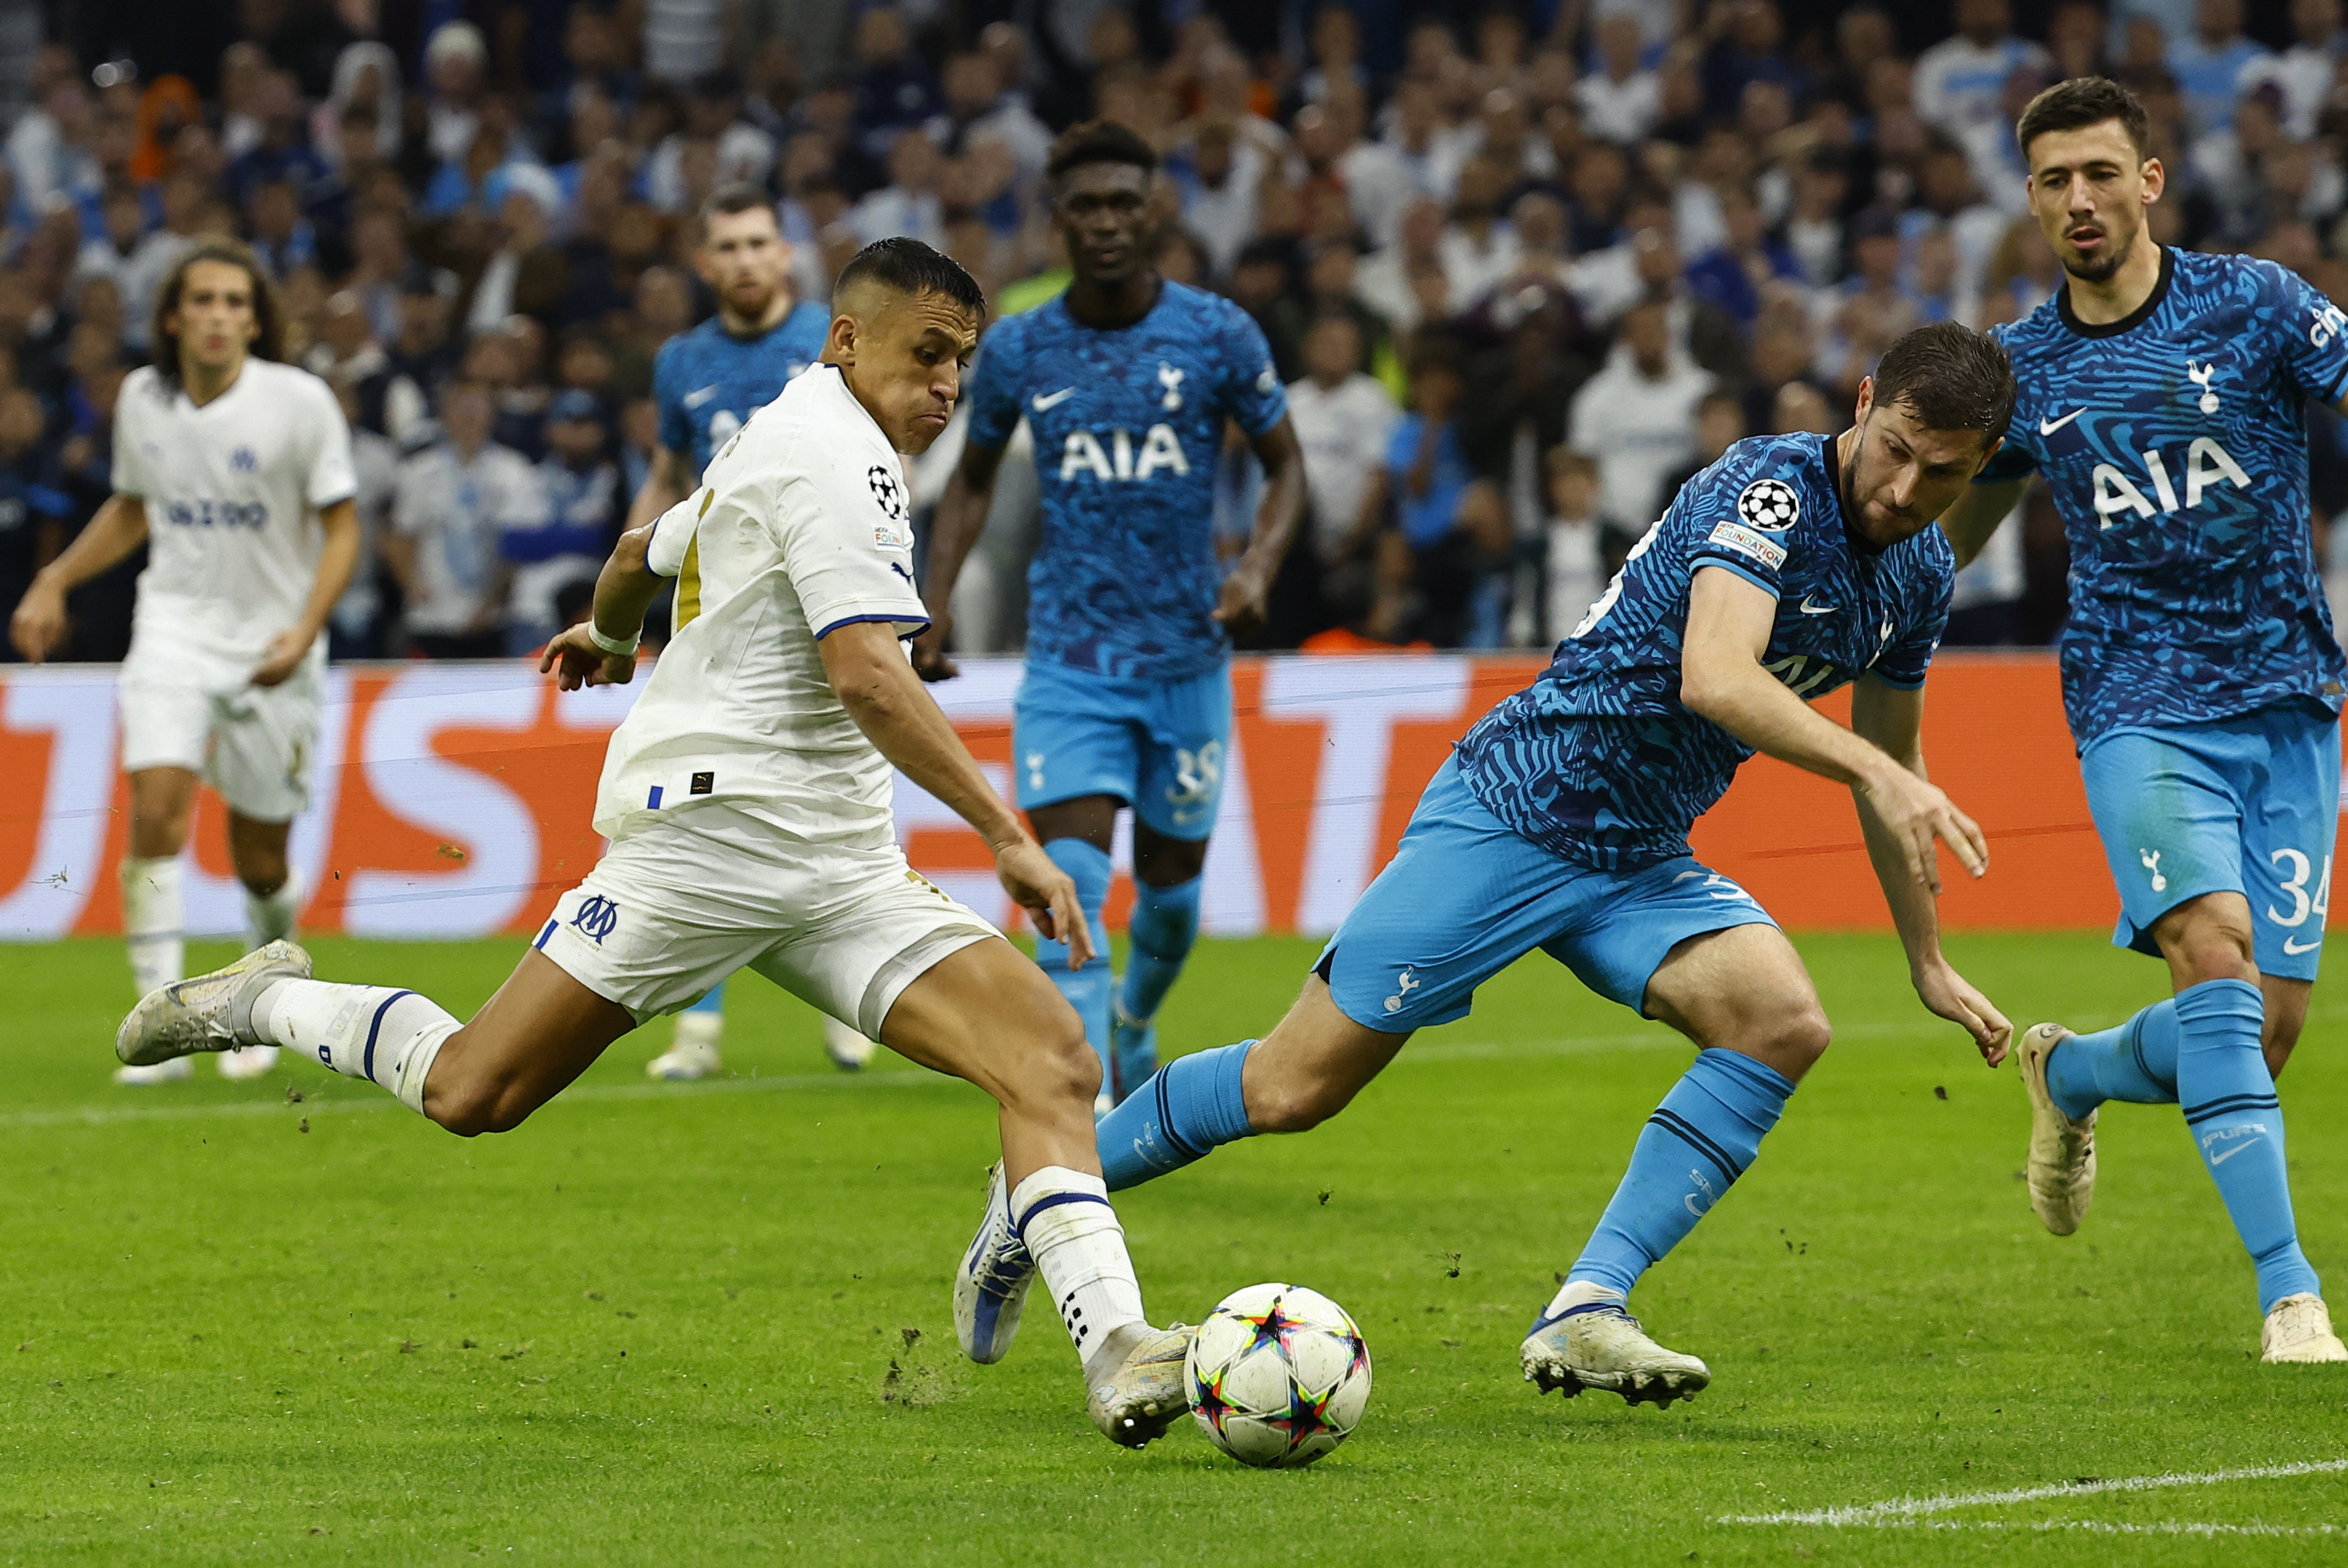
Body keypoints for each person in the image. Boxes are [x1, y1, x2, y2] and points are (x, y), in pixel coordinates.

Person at [112, 239, 1200, 1449]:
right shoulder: (841, 461)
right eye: (927, 352)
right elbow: (867, 676)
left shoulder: (782, 430)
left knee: (1051, 1063)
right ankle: (261, 998)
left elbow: (641, 554)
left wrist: (610, 633)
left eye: (962, 362)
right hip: (706, 844)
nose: (946, 383)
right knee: (474, 1091)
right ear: (847, 340)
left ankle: (1116, 1348)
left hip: (839, 867)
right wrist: (1006, 836)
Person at [965, 322, 2022, 1404]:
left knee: (1781, 1022)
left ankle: (1586, 1308)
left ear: (1983, 462)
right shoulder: (1771, 489)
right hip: (1517, 810)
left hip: (1637, 855)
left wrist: (1927, 960)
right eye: (1895, 450)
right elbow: (1716, 675)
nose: (1904, 489)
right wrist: (1876, 770)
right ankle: (1034, 1196)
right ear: (1862, 404)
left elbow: (1898, 770)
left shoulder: (1921, 574)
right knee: (1290, 1090)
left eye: (1941, 472)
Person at [1939, 77, 2348, 1364]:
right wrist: (1848, 615)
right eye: (2056, 180)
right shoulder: (2018, 370)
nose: (2081, 200)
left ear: (2150, 181)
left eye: (2102, 174)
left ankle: (2070, 1074)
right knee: (2213, 957)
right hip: (2137, 701)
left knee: (2263, 1034)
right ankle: (2292, 1296)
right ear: (2031, 198)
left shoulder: (2258, 304)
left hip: (2288, 702)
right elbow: (1948, 531)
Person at [916, 121, 1306, 1119]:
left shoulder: (1217, 334)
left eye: (1123, 204)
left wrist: (1257, 565)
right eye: (1085, 206)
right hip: (1071, 659)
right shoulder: (1018, 344)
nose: (1105, 223)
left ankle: (1135, 1019)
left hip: (1186, 660)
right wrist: (935, 600)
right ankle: (1084, 1106)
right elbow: (970, 481)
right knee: (1071, 883)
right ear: (1058, 218)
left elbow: (1286, 467)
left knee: (1171, 905)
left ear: (1154, 211)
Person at [9, 241, 359, 1086]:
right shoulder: (144, 397)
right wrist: (55, 578)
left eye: (235, 302)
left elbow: (343, 527)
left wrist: (305, 629)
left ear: (255, 320)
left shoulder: (299, 402)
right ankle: (157, 1029)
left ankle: (263, 984)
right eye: (202, 300)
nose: (218, 316)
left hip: (273, 643)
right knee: (156, 810)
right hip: (172, 629)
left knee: (261, 862)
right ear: (172, 316)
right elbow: (135, 508)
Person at [624, 181, 840, 1082]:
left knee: (831, 796)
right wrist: (631, 578)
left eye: (760, 243)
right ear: (704, 264)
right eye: (729, 247)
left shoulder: (835, 336)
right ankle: (699, 1031)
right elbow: (667, 472)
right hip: (714, 612)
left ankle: (848, 1004)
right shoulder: (682, 361)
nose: (747, 260)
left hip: (821, 601)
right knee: (698, 801)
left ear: (785, 254)